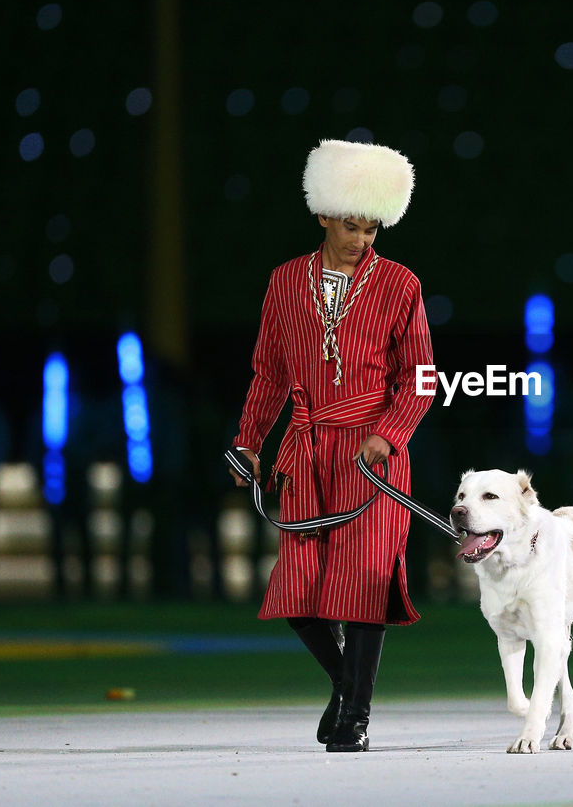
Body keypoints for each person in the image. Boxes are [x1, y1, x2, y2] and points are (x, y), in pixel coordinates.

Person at [228, 139, 434, 751]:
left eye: (372, 228)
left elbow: (421, 379)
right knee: (297, 589)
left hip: (372, 456)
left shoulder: (400, 285)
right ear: (322, 214)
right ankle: (348, 685)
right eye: (351, 224)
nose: (361, 238)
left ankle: (356, 717)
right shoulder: (285, 282)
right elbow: (268, 373)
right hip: (305, 450)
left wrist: (389, 435)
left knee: (365, 580)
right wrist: (248, 444)